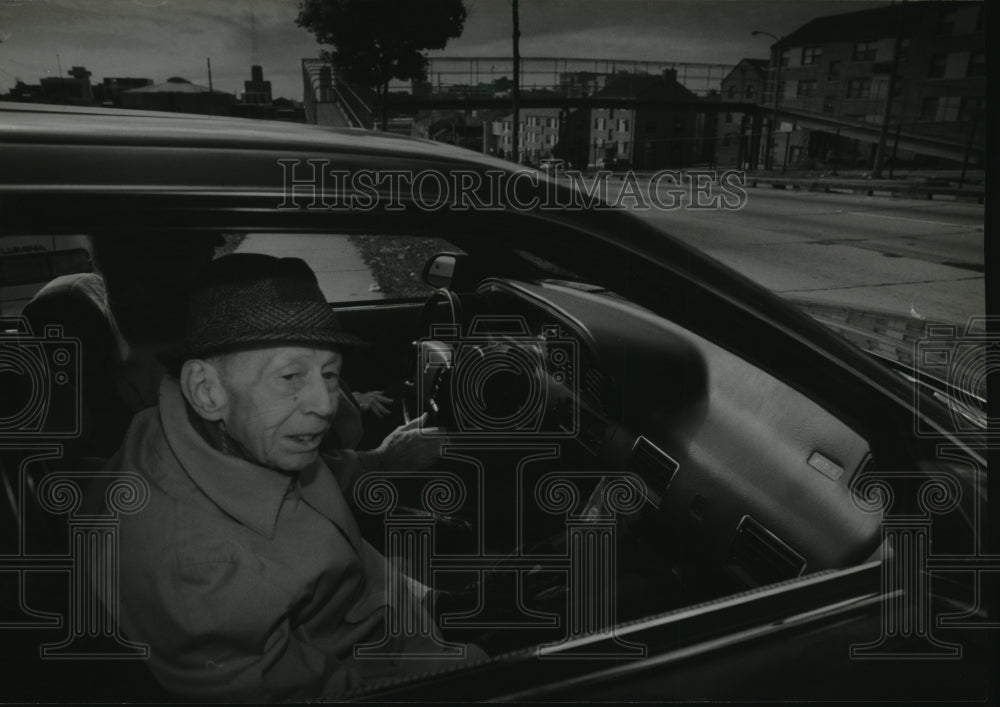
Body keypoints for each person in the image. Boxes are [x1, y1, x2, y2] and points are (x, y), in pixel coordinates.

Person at [89, 254, 485, 701]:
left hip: (394, 606)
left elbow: (317, 483)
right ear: (206, 389)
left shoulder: (215, 427)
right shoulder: (198, 574)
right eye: (291, 375)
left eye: (330, 373)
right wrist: (466, 673)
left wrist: (379, 463)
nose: (325, 404)